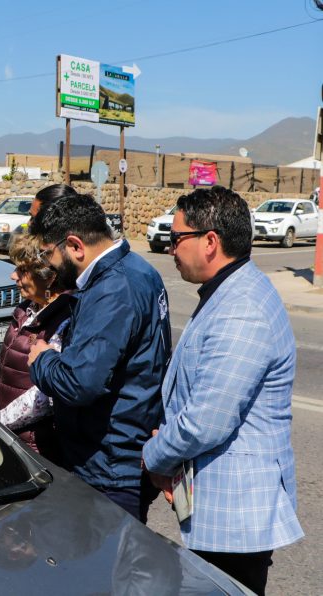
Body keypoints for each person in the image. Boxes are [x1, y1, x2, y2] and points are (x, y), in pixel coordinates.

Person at [142, 186, 303, 595]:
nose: (171, 248)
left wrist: (155, 456)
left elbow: (206, 421)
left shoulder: (242, 308)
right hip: (224, 513)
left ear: (210, 242)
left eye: (178, 238)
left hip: (236, 519)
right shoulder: (229, 290)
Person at [26, 192, 171, 523]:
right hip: (120, 456)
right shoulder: (136, 269)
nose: (47, 264)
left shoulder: (112, 290)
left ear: (75, 246)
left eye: (49, 253)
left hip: (109, 467)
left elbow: (80, 383)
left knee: (106, 570)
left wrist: (42, 360)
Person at [0, 233, 74, 463]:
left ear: (49, 277)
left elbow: (44, 396)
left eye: (22, 271)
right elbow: (0, 360)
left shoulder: (64, 319)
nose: (14, 276)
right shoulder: (26, 310)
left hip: (35, 445)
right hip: (4, 433)